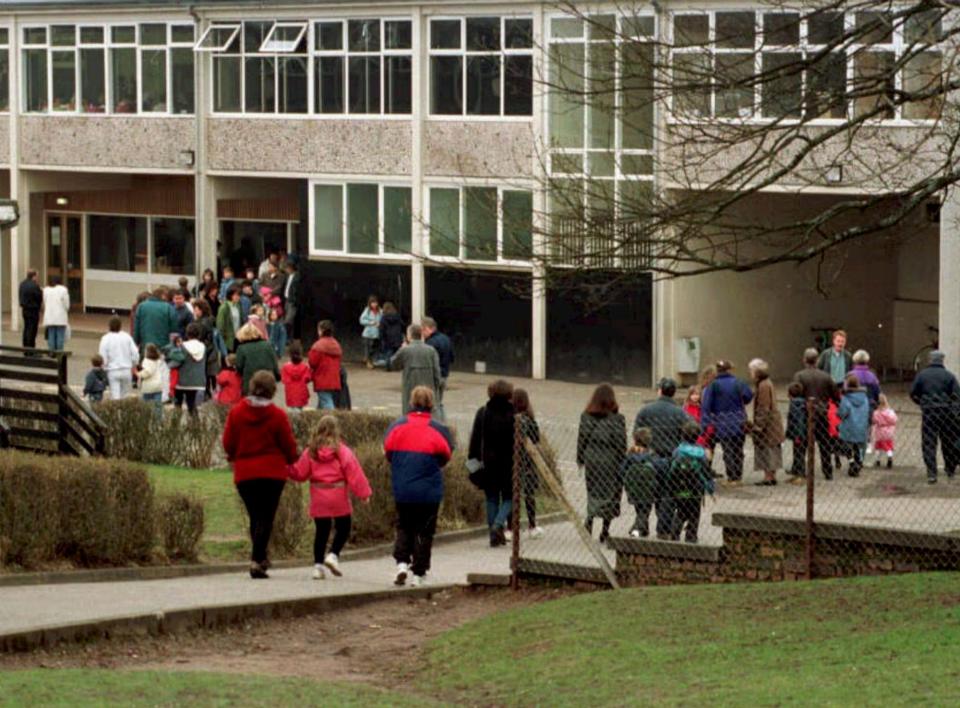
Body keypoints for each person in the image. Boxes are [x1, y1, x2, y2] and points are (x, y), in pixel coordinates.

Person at [223, 371, 299, 579]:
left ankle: (260, 557)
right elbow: (288, 443)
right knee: (266, 516)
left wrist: (233, 456)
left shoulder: (236, 413)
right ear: (272, 391)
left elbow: (228, 441)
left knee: (256, 516)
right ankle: (257, 559)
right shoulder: (277, 415)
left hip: (245, 473)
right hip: (272, 473)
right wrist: (293, 459)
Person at [384, 386, 455, 587]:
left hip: (403, 487)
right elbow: (447, 454)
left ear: (411, 402)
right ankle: (418, 573)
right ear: (431, 404)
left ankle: (401, 563)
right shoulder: (438, 429)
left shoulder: (397, 425)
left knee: (404, 525)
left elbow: (388, 451)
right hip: (429, 490)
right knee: (424, 530)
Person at [287, 415, 372, 580]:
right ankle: (333, 554)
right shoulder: (342, 451)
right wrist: (364, 493)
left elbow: (300, 473)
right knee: (344, 526)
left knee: (321, 531)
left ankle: (318, 567)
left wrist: (286, 468)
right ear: (336, 431)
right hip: (338, 493)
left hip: (319, 494)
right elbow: (354, 473)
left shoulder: (310, 452)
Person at [633, 377, 693, 540]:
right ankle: (664, 529)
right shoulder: (680, 413)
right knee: (666, 496)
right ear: (673, 393)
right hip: (670, 460)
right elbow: (691, 432)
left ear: (659, 390)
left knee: (645, 494)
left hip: (649, 458)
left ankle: (641, 525)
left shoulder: (646, 410)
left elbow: (637, 433)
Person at [468, 379, 516, 547]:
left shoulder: (483, 412)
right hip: (510, 464)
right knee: (511, 497)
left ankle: (493, 534)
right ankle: (498, 524)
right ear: (510, 394)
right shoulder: (514, 414)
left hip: (488, 463)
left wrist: (472, 461)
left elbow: (475, 440)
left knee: (491, 498)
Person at [577, 383, 626, 545]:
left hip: (592, 459)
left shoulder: (586, 416)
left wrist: (580, 458)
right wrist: (622, 460)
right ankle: (605, 529)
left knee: (593, 491)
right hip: (610, 461)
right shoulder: (617, 419)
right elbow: (621, 443)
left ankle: (590, 519)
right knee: (611, 493)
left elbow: (582, 439)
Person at [909, 350, 960, 484]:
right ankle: (950, 469)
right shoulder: (949, 376)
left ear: (930, 360)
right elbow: (956, 396)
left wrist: (922, 403)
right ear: (942, 360)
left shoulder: (922, 376)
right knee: (948, 442)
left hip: (929, 412)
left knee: (929, 442)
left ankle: (932, 473)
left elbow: (913, 393)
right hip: (946, 413)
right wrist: (952, 409)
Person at [701, 360, 753, 487]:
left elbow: (706, 405)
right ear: (729, 370)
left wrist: (705, 424)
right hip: (739, 420)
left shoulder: (713, 385)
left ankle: (731, 478)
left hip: (722, 422)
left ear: (718, 370)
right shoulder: (738, 382)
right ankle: (738, 477)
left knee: (728, 450)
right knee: (738, 450)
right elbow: (749, 395)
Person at [794, 347, 839, 480]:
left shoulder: (799, 376)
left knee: (801, 443)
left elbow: (795, 393)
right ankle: (827, 470)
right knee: (824, 444)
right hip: (822, 413)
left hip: (804, 414)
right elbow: (836, 395)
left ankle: (800, 470)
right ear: (817, 360)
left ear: (804, 360)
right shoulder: (826, 376)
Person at [668, 420, 714, 544]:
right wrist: (710, 488)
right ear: (697, 436)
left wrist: (670, 485)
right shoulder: (701, 452)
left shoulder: (678, 451)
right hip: (696, 488)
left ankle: (674, 534)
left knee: (681, 511)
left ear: (683, 435)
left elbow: (672, 469)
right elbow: (706, 472)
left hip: (680, 487)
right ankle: (691, 536)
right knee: (694, 514)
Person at [389, 324, 442, 415]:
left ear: (409, 335)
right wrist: (436, 387)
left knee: (409, 415)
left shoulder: (405, 350)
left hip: (410, 390)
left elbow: (393, 364)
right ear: (421, 334)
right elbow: (437, 373)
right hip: (428, 390)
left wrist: (401, 348)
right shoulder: (431, 350)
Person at [513, 388, 544, 539]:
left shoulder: (511, 418)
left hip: (513, 460)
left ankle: (511, 527)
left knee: (513, 494)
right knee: (529, 494)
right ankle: (532, 525)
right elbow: (536, 440)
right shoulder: (530, 420)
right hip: (528, 462)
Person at [748, 358, 784, 486]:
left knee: (767, 448)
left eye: (751, 371)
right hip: (773, 423)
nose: (750, 373)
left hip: (768, 425)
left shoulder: (763, 385)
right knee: (772, 448)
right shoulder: (767, 382)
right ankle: (771, 475)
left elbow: (763, 407)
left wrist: (758, 425)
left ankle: (768, 477)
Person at [621, 427, 657, 538]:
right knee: (645, 510)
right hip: (648, 488)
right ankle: (636, 529)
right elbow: (657, 469)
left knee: (639, 508)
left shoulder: (630, 454)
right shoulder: (652, 455)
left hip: (633, 487)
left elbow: (622, 470)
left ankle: (644, 529)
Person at [166, 323, 206, 416]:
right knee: (191, 405)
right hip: (197, 381)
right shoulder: (203, 346)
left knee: (177, 405)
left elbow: (177, 361)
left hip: (181, 380)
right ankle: (196, 427)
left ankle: (175, 426)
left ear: (187, 333)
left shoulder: (182, 346)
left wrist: (169, 364)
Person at [98, 316, 139, 400]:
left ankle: (116, 412)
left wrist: (104, 367)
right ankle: (124, 412)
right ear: (120, 326)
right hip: (126, 369)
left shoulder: (105, 338)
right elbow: (135, 353)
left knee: (115, 396)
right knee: (125, 396)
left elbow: (102, 356)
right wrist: (134, 364)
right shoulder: (127, 337)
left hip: (113, 370)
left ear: (109, 326)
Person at [422, 316, 454, 421]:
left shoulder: (430, 343)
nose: (422, 334)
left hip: (435, 376)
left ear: (427, 328)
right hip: (445, 374)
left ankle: (438, 425)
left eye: (423, 330)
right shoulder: (446, 339)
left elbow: (428, 362)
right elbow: (452, 357)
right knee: (439, 403)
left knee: (434, 404)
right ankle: (444, 423)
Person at [838, 375, 870, 477]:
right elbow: (867, 411)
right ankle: (859, 461)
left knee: (847, 446)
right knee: (858, 446)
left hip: (849, 426)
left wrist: (839, 415)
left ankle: (851, 462)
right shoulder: (864, 398)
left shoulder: (846, 398)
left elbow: (843, 412)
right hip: (861, 425)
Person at [235, 323, 279, 395]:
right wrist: (277, 376)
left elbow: (239, 367)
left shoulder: (242, 348)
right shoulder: (267, 345)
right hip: (267, 381)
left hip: (250, 383)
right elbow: (274, 362)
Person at [308, 320, 343, 410]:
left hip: (322, 379)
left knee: (326, 402)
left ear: (321, 330)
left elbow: (312, 362)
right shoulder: (336, 344)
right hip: (334, 379)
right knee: (323, 402)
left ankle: (332, 421)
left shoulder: (318, 346)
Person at [192, 299, 221, 399]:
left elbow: (200, 337)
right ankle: (211, 392)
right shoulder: (211, 319)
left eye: (195, 309)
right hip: (212, 350)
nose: (194, 312)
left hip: (205, 350)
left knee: (204, 374)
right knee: (210, 374)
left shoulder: (201, 323)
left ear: (201, 310)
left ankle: (206, 393)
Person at [784, 382, 808, 484]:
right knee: (799, 453)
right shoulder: (803, 402)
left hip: (799, 434)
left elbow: (798, 421)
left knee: (799, 454)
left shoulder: (795, 405)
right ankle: (797, 473)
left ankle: (800, 475)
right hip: (803, 433)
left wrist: (798, 435)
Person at [41, 275, 70, 352]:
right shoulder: (63, 290)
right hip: (60, 316)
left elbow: (44, 302)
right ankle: (59, 352)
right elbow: (66, 304)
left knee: (51, 335)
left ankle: (51, 351)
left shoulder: (46, 290)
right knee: (60, 335)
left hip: (49, 316)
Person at [281, 343, 311, 411]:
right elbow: (308, 378)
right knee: (300, 411)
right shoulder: (305, 367)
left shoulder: (285, 367)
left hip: (290, 393)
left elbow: (284, 380)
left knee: (291, 412)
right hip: (302, 393)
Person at [18, 269, 42, 350]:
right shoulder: (35, 286)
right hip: (33, 310)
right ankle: (31, 349)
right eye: (37, 276)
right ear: (34, 276)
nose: (37, 278)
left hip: (25, 309)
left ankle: (25, 347)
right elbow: (39, 298)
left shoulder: (22, 284)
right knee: (32, 330)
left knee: (26, 328)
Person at [872, 394, 898, 469]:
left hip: (880, 431)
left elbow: (874, 421)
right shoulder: (890, 412)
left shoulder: (876, 413)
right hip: (889, 431)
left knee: (878, 447)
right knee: (888, 445)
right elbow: (895, 420)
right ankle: (889, 456)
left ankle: (877, 460)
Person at [138, 343, 163, 418]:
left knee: (146, 406)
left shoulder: (146, 361)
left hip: (148, 387)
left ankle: (146, 420)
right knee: (158, 406)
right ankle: (158, 422)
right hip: (158, 386)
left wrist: (138, 374)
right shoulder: (159, 360)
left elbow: (148, 372)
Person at [217, 285, 243, 353]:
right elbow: (220, 325)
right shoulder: (224, 307)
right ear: (230, 295)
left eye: (239, 295)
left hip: (238, 337)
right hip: (228, 339)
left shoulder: (238, 305)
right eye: (235, 295)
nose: (237, 297)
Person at [359, 295, 382, 369]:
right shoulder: (367, 310)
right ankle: (368, 361)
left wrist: (380, 324)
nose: (374, 304)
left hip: (376, 334)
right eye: (372, 303)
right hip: (367, 334)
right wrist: (371, 322)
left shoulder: (380, 311)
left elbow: (383, 320)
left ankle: (369, 359)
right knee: (368, 348)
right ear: (369, 303)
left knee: (374, 348)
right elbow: (361, 320)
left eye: (375, 303)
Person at [282, 258, 301, 340]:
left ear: (290, 268)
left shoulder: (297, 277)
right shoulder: (288, 276)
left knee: (288, 321)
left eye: (287, 268)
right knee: (286, 320)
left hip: (292, 301)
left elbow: (298, 290)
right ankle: (287, 338)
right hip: (286, 300)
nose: (286, 269)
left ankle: (288, 338)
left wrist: (295, 300)